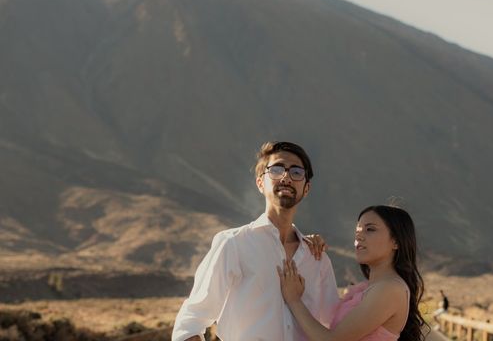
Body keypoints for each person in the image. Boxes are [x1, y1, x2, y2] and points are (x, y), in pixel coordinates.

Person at [172, 141, 339, 341]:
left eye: (296, 172)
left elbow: (334, 328)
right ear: (260, 183)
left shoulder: (318, 258)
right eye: (276, 169)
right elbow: (192, 319)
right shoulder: (234, 244)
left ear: (307, 187)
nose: (286, 177)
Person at [278, 205, 427, 341]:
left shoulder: (390, 289)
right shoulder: (369, 289)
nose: (359, 236)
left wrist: (294, 300)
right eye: (357, 230)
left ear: (396, 241)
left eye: (370, 229)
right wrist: (306, 242)